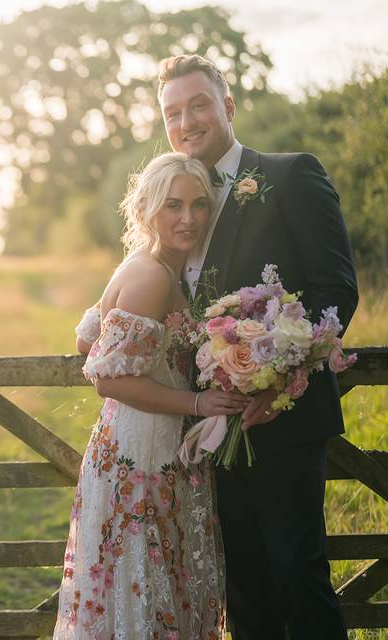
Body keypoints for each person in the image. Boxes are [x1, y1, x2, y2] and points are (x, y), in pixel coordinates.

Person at [157, 54, 358, 639]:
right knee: (241, 587)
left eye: (198, 104)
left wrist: (278, 380)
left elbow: (335, 292)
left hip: (285, 421)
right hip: (209, 431)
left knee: (298, 576)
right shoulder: (175, 199)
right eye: (173, 112)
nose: (187, 120)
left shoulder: (291, 174)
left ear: (229, 106)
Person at [53, 152, 249, 639]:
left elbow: (86, 339)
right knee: (144, 584)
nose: (189, 218)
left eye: (200, 205)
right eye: (173, 206)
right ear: (146, 210)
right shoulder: (151, 275)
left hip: (143, 446)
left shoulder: (147, 264)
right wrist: (198, 404)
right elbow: (107, 379)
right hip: (142, 457)